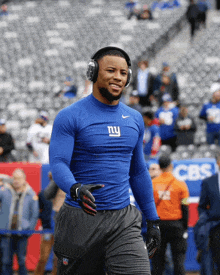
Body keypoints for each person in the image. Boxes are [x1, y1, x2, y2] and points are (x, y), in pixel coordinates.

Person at [49, 46, 161, 275]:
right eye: (111, 70)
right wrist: (75, 188)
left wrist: (153, 219)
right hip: (80, 219)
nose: (118, 77)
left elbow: (138, 171)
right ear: (93, 72)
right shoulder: (70, 116)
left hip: (124, 220)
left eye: (123, 73)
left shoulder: (134, 118)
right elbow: (59, 162)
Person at [151, 154, 189, 275]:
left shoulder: (153, 184)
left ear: (160, 167)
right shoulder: (180, 184)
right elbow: (185, 206)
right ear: (171, 166)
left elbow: (148, 205)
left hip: (159, 225)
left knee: (158, 261)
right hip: (176, 225)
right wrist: (184, 227)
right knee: (178, 259)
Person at [0, 168, 39, 275]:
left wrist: (29, 231)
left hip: (22, 233)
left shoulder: (31, 194)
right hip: (6, 233)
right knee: (6, 261)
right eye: (14, 178)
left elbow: (34, 215)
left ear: (24, 179)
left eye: (19, 178)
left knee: (21, 261)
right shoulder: (4, 191)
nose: (16, 180)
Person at [197, 152, 220, 273]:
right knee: (215, 261)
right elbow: (201, 206)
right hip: (215, 228)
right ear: (217, 162)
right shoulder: (209, 182)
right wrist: (204, 218)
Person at [34, 180, 54, 275]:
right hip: (47, 229)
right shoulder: (42, 194)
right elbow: (38, 211)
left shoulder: (66, 194)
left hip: (61, 230)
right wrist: (44, 220)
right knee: (43, 257)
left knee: (58, 259)